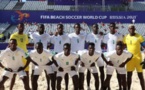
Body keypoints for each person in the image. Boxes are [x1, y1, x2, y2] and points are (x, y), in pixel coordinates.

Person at [30, 24, 52, 90]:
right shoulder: (34, 35)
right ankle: (33, 87)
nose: (41, 28)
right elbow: (29, 38)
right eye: (40, 27)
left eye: (42, 27)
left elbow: (51, 41)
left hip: (44, 54)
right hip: (36, 55)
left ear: (44, 28)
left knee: (46, 72)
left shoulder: (46, 35)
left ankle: (48, 86)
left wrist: (47, 47)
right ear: (38, 28)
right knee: (33, 73)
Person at [123, 24, 145, 90]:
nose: (132, 30)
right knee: (129, 76)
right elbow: (122, 47)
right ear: (128, 29)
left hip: (138, 59)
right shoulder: (126, 37)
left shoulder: (139, 37)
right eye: (130, 28)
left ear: (135, 29)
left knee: (140, 76)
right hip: (129, 59)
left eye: (133, 28)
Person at [103, 22, 123, 90]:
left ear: (115, 27)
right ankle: (108, 87)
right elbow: (103, 45)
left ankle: (120, 87)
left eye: (113, 26)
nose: (112, 28)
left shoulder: (119, 35)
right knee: (108, 75)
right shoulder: (106, 36)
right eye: (111, 26)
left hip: (118, 57)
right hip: (109, 58)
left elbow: (122, 45)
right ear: (109, 27)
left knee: (119, 74)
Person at [9, 23, 30, 90]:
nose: (22, 28)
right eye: (20, 27)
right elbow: (10, 45)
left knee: (26, 73)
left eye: (23, 27)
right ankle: (10, 88)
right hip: (16, 57)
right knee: (14, 74)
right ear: (17, 27)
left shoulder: (25, 36)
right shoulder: (13, 35)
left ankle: (27, 87)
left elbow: (26, 44)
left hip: (24, 57)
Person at [50, 24, 70, 90]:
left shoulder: (66, 36)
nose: (60, 29)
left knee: (65, 73)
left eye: (61, 28)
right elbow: (51, 42)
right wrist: (54, 35)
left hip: (64, 57)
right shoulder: (54, 36)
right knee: (55, 72)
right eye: (59, 28)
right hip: (56, 57)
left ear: (63, 28)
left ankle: (66, 87)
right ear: (57, 29)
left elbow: (68, 46)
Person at [86, 24, 105, 89]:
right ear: (92, 28)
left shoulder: (101, 35)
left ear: (98, 28)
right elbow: (87, 44)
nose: (95, 28)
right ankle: (88, 86)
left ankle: (102, 86)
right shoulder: (89, 36)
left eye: (97, 27)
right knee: (89, 71)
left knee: (101, 70)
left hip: (99, 54)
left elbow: (103, 43)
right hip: (91, 55)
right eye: (94, 27)